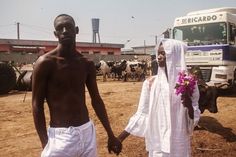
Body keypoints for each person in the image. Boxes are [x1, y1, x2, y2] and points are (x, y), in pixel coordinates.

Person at [32, 14, 122, 157]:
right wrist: (45, 142)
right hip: (60, 137)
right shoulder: (45, 63)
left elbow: (96, 100)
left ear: (77, 30)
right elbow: (37, 105)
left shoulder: (86, 63)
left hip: (87, 133)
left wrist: (110, 134)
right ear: (55, 34)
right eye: (60, 28)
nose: (65, 30)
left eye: (69, 26)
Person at [118, 39, 200, 157]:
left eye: (163, 53)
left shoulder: (189, 84)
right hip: (158, 143)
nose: (159, 57)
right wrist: (120, 138)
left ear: (175, 55)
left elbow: (193, 119)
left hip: (179, 144)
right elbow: (142, 113)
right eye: (159, 53)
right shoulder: (150, 83)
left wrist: (189, 107)